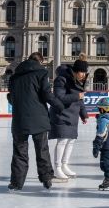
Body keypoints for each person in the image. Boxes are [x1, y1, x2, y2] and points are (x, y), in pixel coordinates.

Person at [6, 52, 65, 191]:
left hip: (20, 119)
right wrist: (60, 105)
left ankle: (16, 183)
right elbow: (46, 94)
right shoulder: (41, 73)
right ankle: (46, 179)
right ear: (41, 62)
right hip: (38, 118)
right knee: (42, 149)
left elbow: (11, 98)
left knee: (19, 152)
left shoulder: (14, 76)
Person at [49, 58, 88, 182]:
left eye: (84, 72)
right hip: (62, 114)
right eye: (81, 72)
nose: (83, 74)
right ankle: (57, 167)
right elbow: (59, 97)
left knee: (70, 141)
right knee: (63, 140)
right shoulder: (62, 79)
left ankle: (64, 165)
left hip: (72, 115)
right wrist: (77, 96)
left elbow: (80, 100)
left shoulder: (78, 82)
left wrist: (83, 114)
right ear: (75, 71)